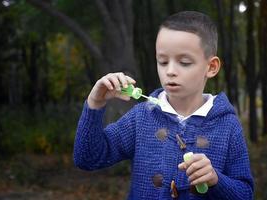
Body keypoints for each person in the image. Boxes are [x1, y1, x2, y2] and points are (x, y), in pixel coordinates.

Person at [74, 11, 254, 199]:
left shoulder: (227, 125)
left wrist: (217, 180)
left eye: (184, 62)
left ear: (211, 67)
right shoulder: (142, 117)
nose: (170, 71)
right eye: (162, 61)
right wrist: (95, 102)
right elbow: (87, 158)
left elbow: (245, 194)